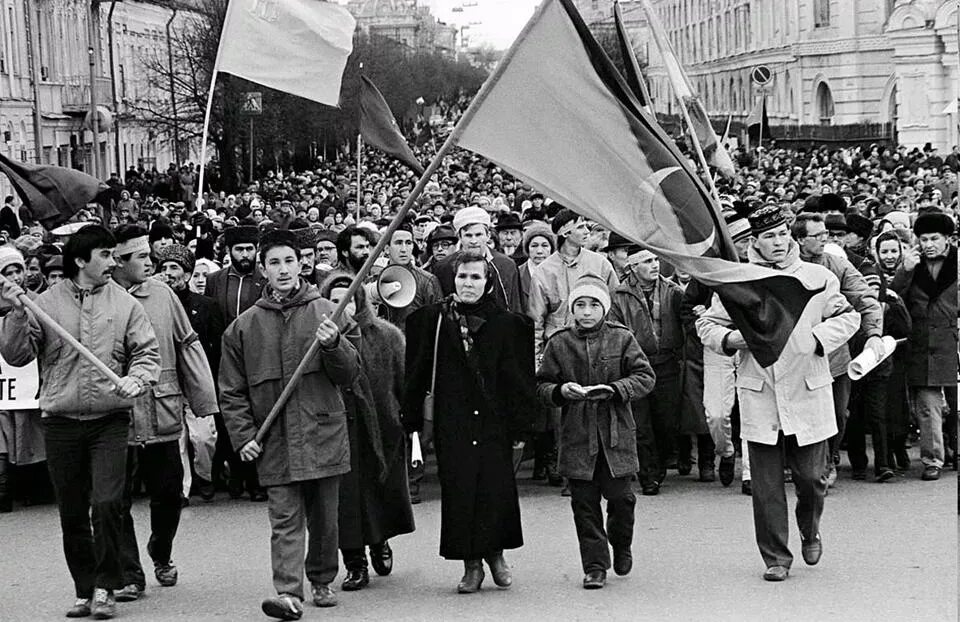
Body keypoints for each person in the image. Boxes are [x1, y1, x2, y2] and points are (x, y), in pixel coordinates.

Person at [0, 224, 161, 619]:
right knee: (71, 511)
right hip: (61, 420)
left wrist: (136, 379)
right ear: (80, 260)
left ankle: (107, 586)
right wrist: (19, 314)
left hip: (110, 418)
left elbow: (147, 353)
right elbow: (17, 356)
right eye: (105, 255)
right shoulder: (45, 303)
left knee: (106, 505)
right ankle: (84, 588)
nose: (112, 262)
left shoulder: (125, 304)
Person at [697, 205, 860, 582]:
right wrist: (731, 339)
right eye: (768, 235)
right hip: (761, 391)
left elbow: (849, 317)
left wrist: (817, 339)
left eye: (782, 233)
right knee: (766, 487)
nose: (778, 241)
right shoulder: (741, 281)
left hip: (807, 387)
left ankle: (810, 527)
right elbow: (706, 323)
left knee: (811, 478)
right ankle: (775, 558)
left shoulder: (817, 277)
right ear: (754, 241)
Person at [219, 229, 360, 619]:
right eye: (274, 263)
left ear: (303, 265)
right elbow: (231, 392)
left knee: (324, 517)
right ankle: (287, 592)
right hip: (274, 438)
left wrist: (335, 345)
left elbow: (350, 375)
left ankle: (321, 578)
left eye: (289, 261)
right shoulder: (243, 328)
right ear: (263, 270)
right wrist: (244, 436)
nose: (283, 270)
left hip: (322, 432)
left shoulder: (328, 314)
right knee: (284, 519)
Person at [403, 252, 536, 594]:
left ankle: (496, 555)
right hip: (453, 421)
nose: (468, 283)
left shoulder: (509, 324)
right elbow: (416, 373)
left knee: (495, 490)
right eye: (462, 276)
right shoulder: (430, 321)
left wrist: (522, 427)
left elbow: (521, 380)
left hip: (495, 423)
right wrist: (413, 421)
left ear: (489, 282)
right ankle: (471, 565)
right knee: (460, 491)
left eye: (476, 277)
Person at [109, 226, 219, 602]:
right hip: (115, 417)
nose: (150, 263)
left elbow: (187, 345)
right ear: (119, 262)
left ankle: (161, 550)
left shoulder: (163, 295)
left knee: (169, 494)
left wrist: (204, 403)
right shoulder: (101, 297)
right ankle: (129, 573)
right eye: (141, 257)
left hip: (162, 411)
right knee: (115, 499)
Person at [536, 274, 655, 589]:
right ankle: (595, 566)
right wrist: (562, 391)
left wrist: (616, 389)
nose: (587, 312)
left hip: (616, 433)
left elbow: (645, 376)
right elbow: (542, 385)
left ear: (604, 308)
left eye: (593, 305)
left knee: (622, 499)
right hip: (577, 434)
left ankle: (621, 542)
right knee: (584, 505)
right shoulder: (559, 342)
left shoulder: (622, 338)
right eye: (580, 305)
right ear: (572, 308)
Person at [320, 273, 415, 593]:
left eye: (349, 298)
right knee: (345, 499)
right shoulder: (316, 340)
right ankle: (354, 563)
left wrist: (408, 422)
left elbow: (404, 384)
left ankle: (380, 541)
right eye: (334, 300)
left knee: (378, 490)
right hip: (337, 428)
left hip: (381, 426)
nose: (342, 306)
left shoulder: (386, 336)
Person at [609, 247, 684, 496]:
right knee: (640, 424)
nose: (654, 265)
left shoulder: (673, 291)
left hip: (667, 362)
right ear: (632, 267)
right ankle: (649, 475)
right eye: (646, 261)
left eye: (655, 259)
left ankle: (660, 465)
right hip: (636, 366)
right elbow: (616, 331)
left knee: (666, 420)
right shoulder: (619, 296)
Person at [891, 211, 958, 481]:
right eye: (924, 239)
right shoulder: (910, 264)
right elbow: (894, 299)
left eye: (934, 239)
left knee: (957, 405)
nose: (929, 244)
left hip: (953, 341)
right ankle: (932, 460)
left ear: (948, 239)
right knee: (927, 407)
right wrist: (904, 270)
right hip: (921, 343)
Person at [155, 244, 225, 502]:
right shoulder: (154, 303)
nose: (169, 273)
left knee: (204, 437)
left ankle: (205, 476)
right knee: (177, 440)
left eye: (174, 268)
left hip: (197, 380)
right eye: (164, 268)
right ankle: (181, 489)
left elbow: (217, 346)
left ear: (187, 273)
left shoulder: (206, 306)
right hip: (168, 381)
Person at [205, 224, 269, 501]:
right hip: (224, 357)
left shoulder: (264, 279)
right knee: (230, 415)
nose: (245, 255)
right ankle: (234, 478)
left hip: (257, 357)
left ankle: (256, 482)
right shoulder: (215, 280)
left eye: (249, 249)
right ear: (229, 251)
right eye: (239, 249)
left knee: (256, 416)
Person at [528, 208, 619, 356]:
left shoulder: (600, 263)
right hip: (559, 347)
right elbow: (536, 320)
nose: (586, 231)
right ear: (565, 233)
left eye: (586, 226)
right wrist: (537, 356)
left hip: (598, 345)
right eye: (580, 227)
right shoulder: (544, 271)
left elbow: (616, 306)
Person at [0, 247, 46, 512]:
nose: (15, 277)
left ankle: (34, 486)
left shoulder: (36, 302)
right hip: (6, 386)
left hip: (28, 387)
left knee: (29, 436)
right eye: (8, 272)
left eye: (19, 270)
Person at [430, 206, 523, 314]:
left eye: (478, 235)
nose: (473, 241)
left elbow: (515, 306)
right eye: (468, 235)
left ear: (488, 235)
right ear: (459, 237)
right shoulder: (443, 267)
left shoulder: (506, 265)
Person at [379, 224, 442, 330]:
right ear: (386, 248)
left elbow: (438, 323)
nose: (404, 249)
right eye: (398, 243)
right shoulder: (373, 281)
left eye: (408, 243)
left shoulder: (428, 281)